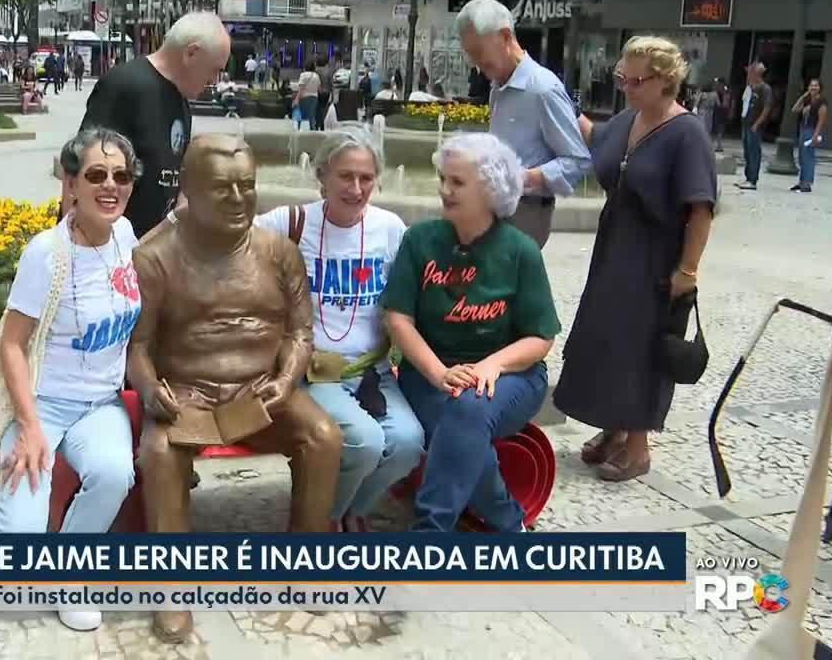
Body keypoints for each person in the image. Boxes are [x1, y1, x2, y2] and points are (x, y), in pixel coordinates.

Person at [129, 134, 341, 643]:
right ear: (190, 191)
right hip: (188, 393)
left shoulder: (279, 252)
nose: (239, 199)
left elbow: (300, 332)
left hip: (263, 390)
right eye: (222, 189)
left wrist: (287, 378)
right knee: (159, 453)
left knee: (324, 436)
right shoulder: (153, 257)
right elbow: (136, 345)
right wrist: (151, 386)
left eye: (247, 186)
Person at [0, 127, 141, 633]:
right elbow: (12, 345)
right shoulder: (47, 253)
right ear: (71, 184)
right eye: (96, 175)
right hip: (43, 405)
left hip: (101, 405)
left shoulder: (125, 236)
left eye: (122, 176)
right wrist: (32, 426)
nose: (111, 186)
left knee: (113, 474)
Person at [381, 133, 559, 533]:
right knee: (462, 422)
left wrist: (490, 366)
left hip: (512, 377)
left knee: (467, 410)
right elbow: (398, 319)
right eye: (443, 178)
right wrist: (439, 373)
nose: (445, 190)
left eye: (458, 183)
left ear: (491, 188)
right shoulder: (420, 241)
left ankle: (430, 530)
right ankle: (507, 521)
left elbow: (540, 338)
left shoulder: (520, 251)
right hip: (429, 375)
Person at [556, 36, 716, 482]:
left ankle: (639, 447)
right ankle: (613, 427)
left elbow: (701, 209)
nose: (625, 86)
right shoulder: (628, 118)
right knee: (605, 338)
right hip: (614, 248)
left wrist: (687, 270)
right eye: (622, 77)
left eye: (635, 80)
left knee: (641, 348)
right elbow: (597, 140)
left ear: (666, 82)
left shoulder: (687, 133)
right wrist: (556, 104)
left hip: (656, 258)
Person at [255, 127, 422, 531]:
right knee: (364, 442)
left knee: (407, 444)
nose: (356, 187)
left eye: (366, 177)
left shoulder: (390, 228)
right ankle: (321, 521)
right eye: (345, 176)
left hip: (372, 372)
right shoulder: (290, 222)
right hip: (314, 374)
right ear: (322, 175)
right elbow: (228, 239)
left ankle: (350, 508)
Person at [76, 11, 229, 238]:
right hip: (104, 252)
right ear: (191, 53)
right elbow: (79, 166)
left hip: (150, 252)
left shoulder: (181, 100)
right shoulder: (125, 86)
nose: (214, 81)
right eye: (215, 69)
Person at [456, 0, 591, 249]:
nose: (474, 62)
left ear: (506, 37)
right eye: (469, 54)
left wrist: (522, 178)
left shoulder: (542, 88)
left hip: (526, 213)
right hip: (495, 208)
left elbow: (578, 160)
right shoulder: (498, 86)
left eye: (478, 51)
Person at [735, 61, 772, 191]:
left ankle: (752, 180)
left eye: (751, 72)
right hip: (746, 123)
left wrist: (757, 123)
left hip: (754, 125)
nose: (748, 74)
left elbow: (767, 108)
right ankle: (748, 177)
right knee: (747, 152)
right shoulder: (750, 87)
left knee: (754, 152)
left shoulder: (765, 89)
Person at [791, 77, 828, 193]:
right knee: (802, 156)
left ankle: (807, 183)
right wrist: (803, 96)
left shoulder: (821, 102)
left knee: (809, 157)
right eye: (811, 85)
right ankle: (801, 181)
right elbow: (794, 109)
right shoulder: (807, 100)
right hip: (803, 129)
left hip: (812, 130)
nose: (813, 87)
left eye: (816, 85)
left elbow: (822, 120)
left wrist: (815, 136)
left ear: (820, 88)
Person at [293, 61, 321, 130]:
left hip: (304, 98)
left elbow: (301, 89)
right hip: (314, 98)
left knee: (301, 116)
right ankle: (313, 131)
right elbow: (319, 88)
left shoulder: (303, 75)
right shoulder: (316, 76)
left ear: (305, 67)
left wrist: (296, 99)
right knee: (311, 116)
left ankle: (299, 130)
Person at [315, 56, 334, 131]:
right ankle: (322, 124)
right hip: (326, 92)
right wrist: (332, 93)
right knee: (323, 108)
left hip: (317, 91)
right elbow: (331, 82)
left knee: (317, 108)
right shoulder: (328, 70)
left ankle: (317, 124)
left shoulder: (316, 70)